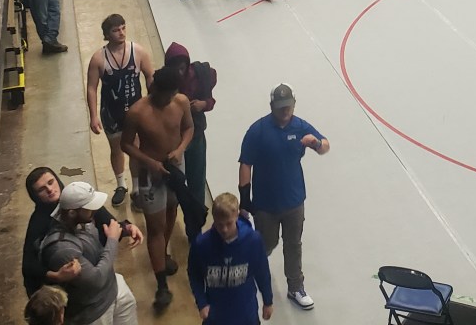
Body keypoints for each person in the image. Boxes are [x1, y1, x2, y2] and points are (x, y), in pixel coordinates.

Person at [238, 85, 329, 311]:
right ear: (272, 107)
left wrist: (316, 143)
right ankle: (252, 272)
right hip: (266, 205)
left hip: (294, 201)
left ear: (294, 104)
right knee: (267, 243)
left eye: (288, 106)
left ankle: (296, 287)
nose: (285, 110)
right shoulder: (257, 131)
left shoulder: (301, 127)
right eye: (280, 107)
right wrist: (244, 199)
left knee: (293, 245)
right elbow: (246, 163)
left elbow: (325, 146)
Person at [121, 66, 193, 309]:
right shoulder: (137, 112)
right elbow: (126, 144)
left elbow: (189, 128)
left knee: (172, 210)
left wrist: (180, 149)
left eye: (173, 94)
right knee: (154, 227)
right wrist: (151, 163)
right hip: (150, 173)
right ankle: (162, 285)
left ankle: (163, 254)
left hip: (175, 166)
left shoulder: (181, 102)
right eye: (166, 95)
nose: (169, 99)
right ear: (155, 89)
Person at [22, 168, 142, 298]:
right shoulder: (38, 224)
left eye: (51, 182)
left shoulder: (76, 197)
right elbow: (29, 265)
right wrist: (56, 276)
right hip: (60, 291)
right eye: (41, 189)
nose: (50, 189)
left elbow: (106, 222)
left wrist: (126, 227)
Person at [38, 182, 138, 325]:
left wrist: (125, 228)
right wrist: (112, 240)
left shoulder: (83, 219)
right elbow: (96, 280)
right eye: (89, 207)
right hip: (93, 314)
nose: (95, 209)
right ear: (72, 212)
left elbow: (99, 242)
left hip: (114, 288)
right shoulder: (62, 248)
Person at [86, 13, 155, 207]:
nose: (121, 33)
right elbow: (91, 88)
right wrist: (93, 116)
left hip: (135, 112)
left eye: (123, 28)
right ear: (107, 35)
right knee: (116, 149)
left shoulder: (138, 52)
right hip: (111, 112)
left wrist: (153, 105)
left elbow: (150, 76)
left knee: (136, 150)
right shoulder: (98, 58)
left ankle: (136, 188)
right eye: (116, 30)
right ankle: (120, 185)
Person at [189, 193, 273, 325]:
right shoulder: (201, 245)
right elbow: (194, 274)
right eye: (219, 224)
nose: (224, 229)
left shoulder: (252, 241)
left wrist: (268, 301)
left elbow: (262, 272)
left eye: (229, 223)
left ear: (237, 216)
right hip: (215, 318)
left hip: (246, 316)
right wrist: (202, 303)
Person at [163, 44, 217, 212]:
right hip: (172, 139)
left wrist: (203, 104)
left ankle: (196, 218)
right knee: (173, 183)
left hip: (196, 136)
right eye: (175, 69)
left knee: (197, 181)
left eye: (182, 68)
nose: (179, 73)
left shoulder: (201, 75)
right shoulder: (163, 81)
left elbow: (211, 100)